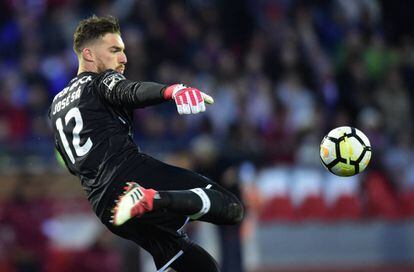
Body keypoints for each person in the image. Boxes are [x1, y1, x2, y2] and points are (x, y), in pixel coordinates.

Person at [48, 15, 244, 272]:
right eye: (114, 50)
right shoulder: (99, 81)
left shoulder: (55, 108)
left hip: (106, 207)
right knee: (231, 207)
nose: (124, 59)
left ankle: (150, 200)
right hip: (130, 178)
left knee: (201, 266)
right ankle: (153, 197)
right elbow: (128, 91)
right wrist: (171, 91)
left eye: (124, 51)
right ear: (88, 55)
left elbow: (72, 165)